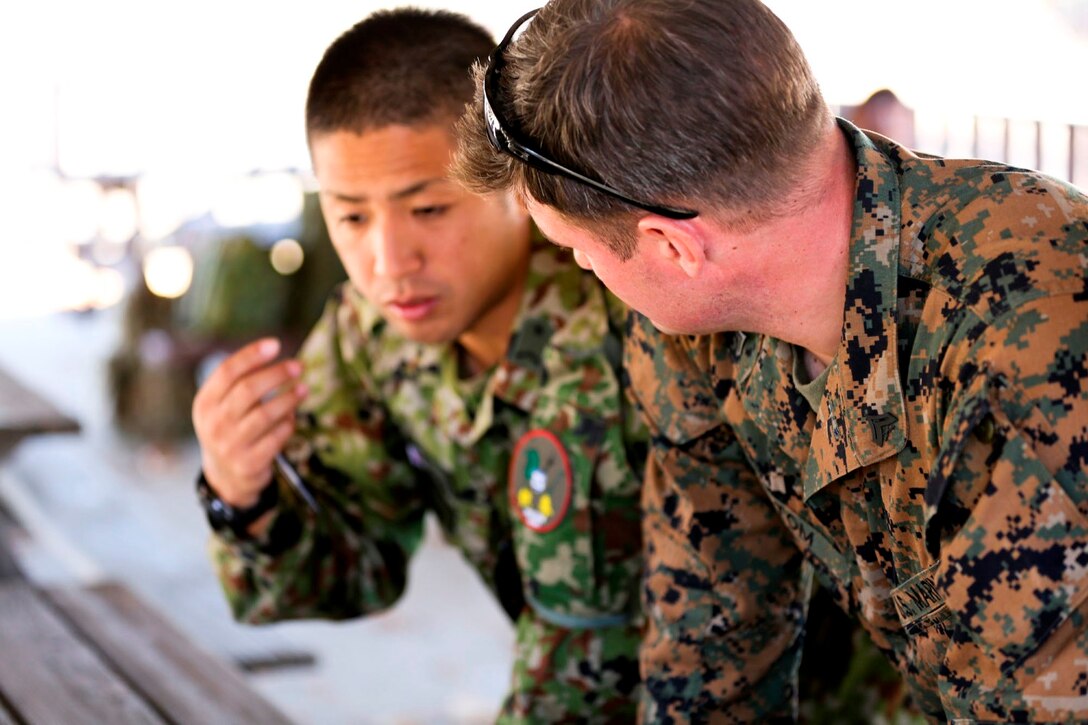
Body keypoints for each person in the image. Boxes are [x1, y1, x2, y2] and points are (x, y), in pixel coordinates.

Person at [453, 1, 1088, 722]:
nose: (581, 267)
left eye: (575, 249)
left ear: (673, 248)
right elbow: (711, 648)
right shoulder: (694, 328)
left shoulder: (1035, 342)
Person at [191, 8, 646, 722]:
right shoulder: (366, 337)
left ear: (515, 182)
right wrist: (240, 495)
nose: (389, 263)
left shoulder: (635, 302)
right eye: (352, 217)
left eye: (428, 209)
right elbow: (355, 569)